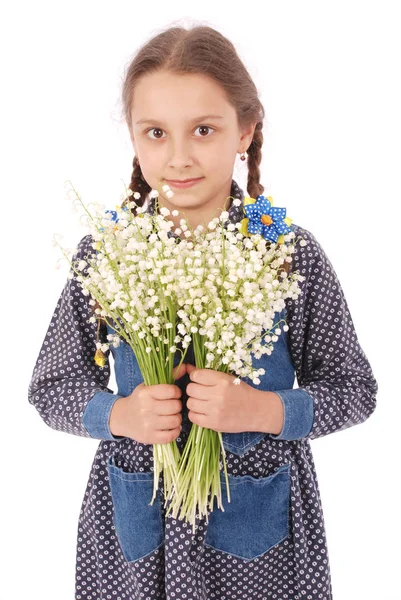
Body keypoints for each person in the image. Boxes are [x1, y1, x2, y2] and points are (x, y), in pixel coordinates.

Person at [28, 24, 378, 600]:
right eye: (157, 132)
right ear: (135, 140)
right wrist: (120, 417)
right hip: (136, 535)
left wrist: (264, 409)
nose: (180, 156)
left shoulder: (288, 256)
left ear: (245, 131)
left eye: (204, 130)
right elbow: (53, 386)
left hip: (260, 543)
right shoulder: (108, 258)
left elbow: (354, 389)